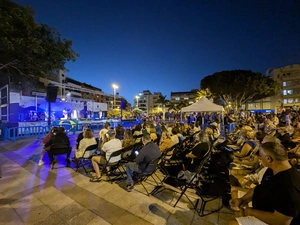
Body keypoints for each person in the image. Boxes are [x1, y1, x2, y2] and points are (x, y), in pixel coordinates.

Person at [229, 141, 300, 225]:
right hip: (263, 207)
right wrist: (242, 200)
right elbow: (259, 188)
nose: (260, 159)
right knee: (235, 196)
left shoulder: (289, 186)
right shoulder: (273, 169)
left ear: (268, 159)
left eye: (261, 156)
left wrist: (250, 211)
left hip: (274, 219)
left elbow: (281, 221)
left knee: (233, 223)